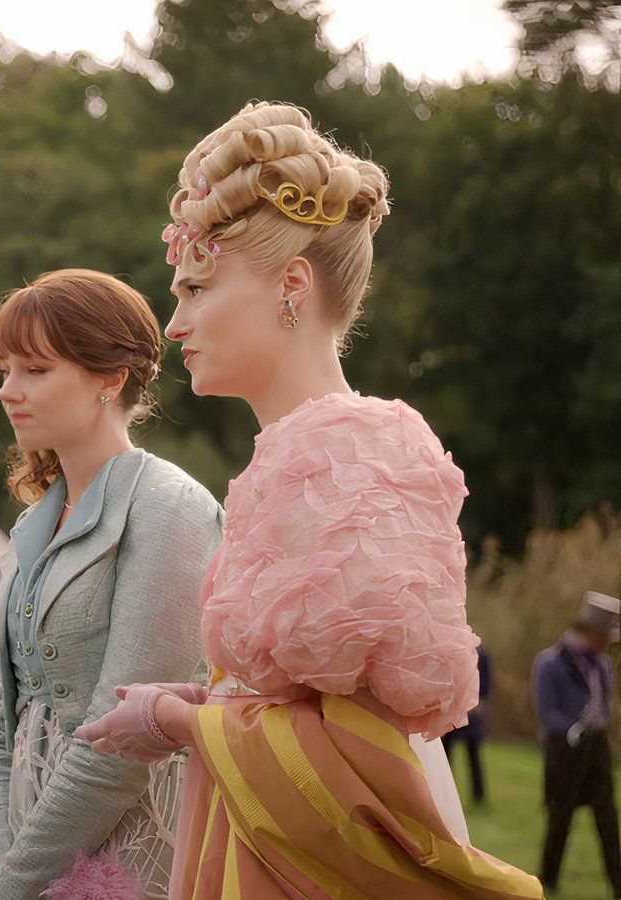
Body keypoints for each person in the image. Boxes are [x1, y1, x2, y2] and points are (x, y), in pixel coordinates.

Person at [75, 101, 540, 898]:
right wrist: (199, 699)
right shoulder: (303, 453)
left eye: (196, 287)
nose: (175, 322)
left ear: (293, 284)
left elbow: (356, 750)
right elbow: (306, 699)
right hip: (265, 824)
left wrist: (182, 723)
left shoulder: (346, 456)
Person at [0, 270, 222, 899]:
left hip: (129, 848)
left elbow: (122, 741)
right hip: (26, 845)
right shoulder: (33, 522)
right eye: (4, 369)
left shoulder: (169, 507)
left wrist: (14, 884)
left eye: (33, 369)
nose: (7, 390)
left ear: (109, 379)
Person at [532, 591, 621, 896]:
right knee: (560, 815)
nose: (608, 644)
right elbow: (546, 712)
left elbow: (605, 701)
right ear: (590, 632)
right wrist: (572, 730)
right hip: (564, 749)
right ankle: (548, 880)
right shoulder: (550, 663)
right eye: (605, 636)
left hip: (597, 747)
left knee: (608, 816)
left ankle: (617, 880)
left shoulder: (603, 665)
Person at [443, 641, 493, 805]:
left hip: (472, 711)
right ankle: (444, 793)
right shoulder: (448, 645)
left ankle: (478, 795)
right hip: (451, 709)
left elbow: (486, 681)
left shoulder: (480, 649)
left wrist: (478, 701)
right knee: (447, 754)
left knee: (473, 753)